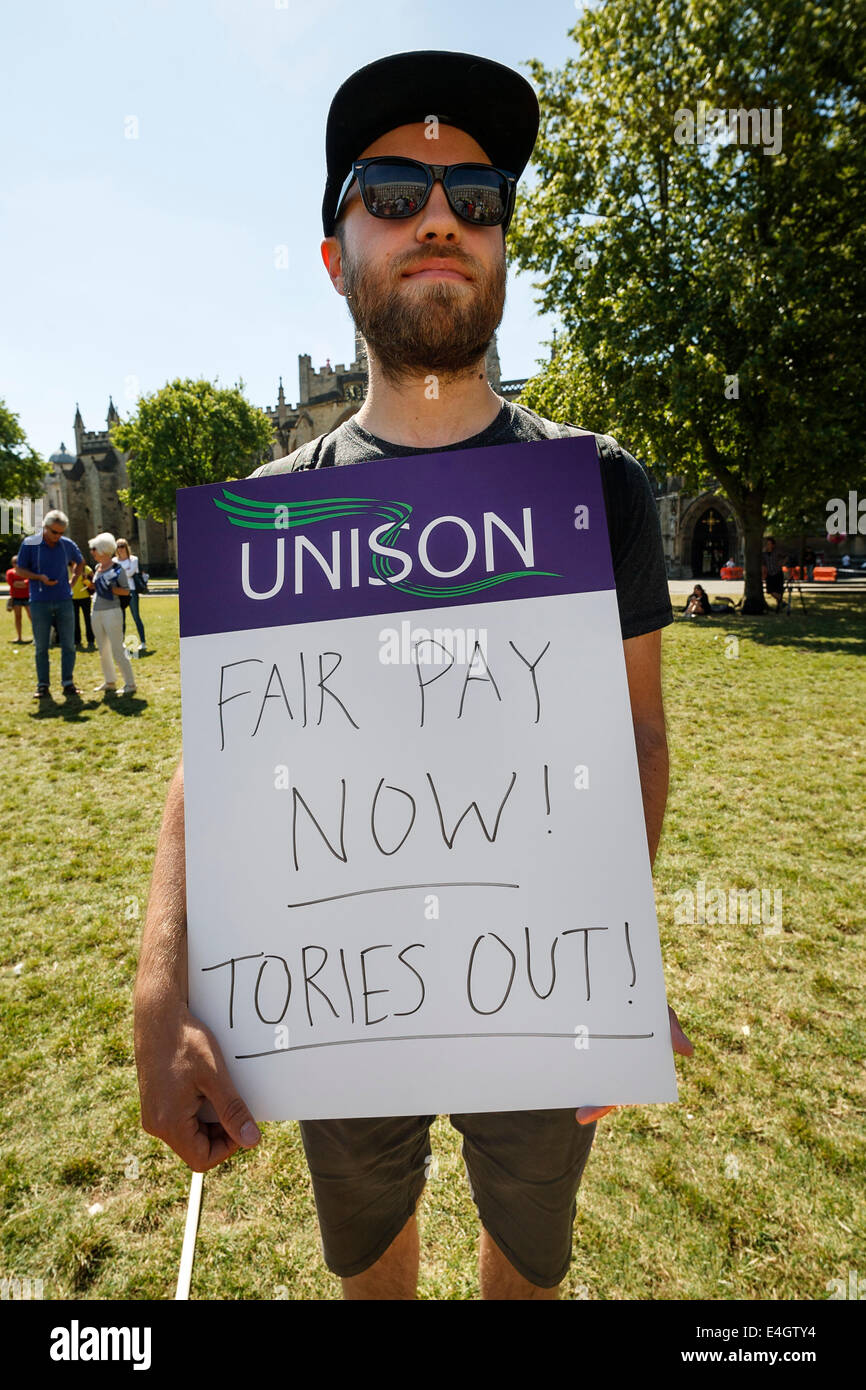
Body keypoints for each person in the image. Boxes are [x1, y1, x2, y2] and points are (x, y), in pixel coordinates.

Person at [134, 50, 692, 1302]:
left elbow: (637, 735)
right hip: (336, 998)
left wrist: (612, 962)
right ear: (338, 253)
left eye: (475, 195)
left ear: (500, 245)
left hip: (542, 1000)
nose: (438, 214)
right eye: (391, 189)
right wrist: (161, 983)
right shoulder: (275, 513)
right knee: (369, 1268)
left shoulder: (597, 487)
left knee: (526, 1268)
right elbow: (211, 766)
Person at [15, 509, 84, 698]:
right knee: (42, 647)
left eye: (62, 533)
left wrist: (73, 580)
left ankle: (68, 683)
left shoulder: (66, 544)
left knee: (69, 645)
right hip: (39, 602)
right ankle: (43, 686)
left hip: (64, 600)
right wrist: (39, 577)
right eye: (54, 532)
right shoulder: (30, 544)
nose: (58, 536)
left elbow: (80, 561)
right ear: (44, 528)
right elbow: (20, 569)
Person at [89, 533, 137, 696]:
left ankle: (130, 683)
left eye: (94, 549)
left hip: (112, 612)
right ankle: (110, 681)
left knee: (117, 648)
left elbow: (126, 591)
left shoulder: (118, 569)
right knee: (103, 649)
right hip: (96, 611)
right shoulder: (97, 568)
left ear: (103, 550)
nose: (92, 552)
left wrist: (110, 589)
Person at [115, 538, 147, 650]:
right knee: (121, 618)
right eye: (118, 546)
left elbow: (130, 572)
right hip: (120, 592)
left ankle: (143, 642)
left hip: (131, 591)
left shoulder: (133, 559)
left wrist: (120, 573)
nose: (120, 549)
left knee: (136, 616)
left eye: (122, 546)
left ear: (126, 547)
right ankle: (121, 642)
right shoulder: (114, 561)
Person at [70, 560, 96, 649]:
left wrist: (86, 580)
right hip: (72, 599)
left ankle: (91, 640)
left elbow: (93, 585)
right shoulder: (65, 569)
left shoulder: (86, 569)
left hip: (85, 598)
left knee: (88, 620)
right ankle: (77, 641)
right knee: (75, 620)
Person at [5, 558, 32, 642]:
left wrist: (20, 584)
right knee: (18, 617)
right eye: (15, 562)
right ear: (12, 563)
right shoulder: (10, 572)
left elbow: (28, 583)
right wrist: (23, 584)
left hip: (27, 597)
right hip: (16, 598)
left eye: (18, 562)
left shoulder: (27, 571)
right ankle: (19, 637)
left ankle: (36, 637)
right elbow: (12, 583)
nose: (16, 564)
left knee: (32, 617)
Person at [761, 536, 785, 611]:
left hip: (777, 572)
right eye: (767, 544)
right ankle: (782, 602)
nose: (768, 545)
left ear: (773, 545)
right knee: (770, 590)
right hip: (770, 574)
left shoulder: (777, 552)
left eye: (769, 544)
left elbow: (786, 557)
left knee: (779, 590)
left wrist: (782, 562)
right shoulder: (764, 554)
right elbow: (763, 565)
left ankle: (779, 606)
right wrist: (763, 574)